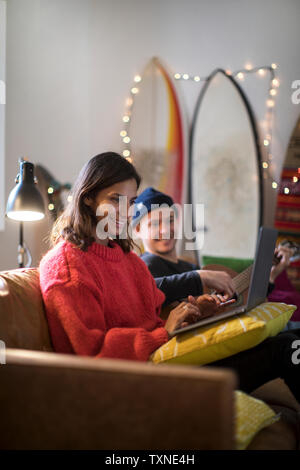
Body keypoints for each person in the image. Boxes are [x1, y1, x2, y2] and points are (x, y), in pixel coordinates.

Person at [39, 154, 300, 404]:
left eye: (129, 202)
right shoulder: (67, 266)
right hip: (136, 384)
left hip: (163, 361)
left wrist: (196, 311)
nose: (123, 211)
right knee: (285, 350)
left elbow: (154, 315)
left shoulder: (126, 259)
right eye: (114, 199)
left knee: (289, 341)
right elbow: (91, 352)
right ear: (88, 199)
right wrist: (164, 332)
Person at [131, 187, 296, 317]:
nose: (166, 230)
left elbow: (232, 307)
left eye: (170, 220)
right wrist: (200, 276)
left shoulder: (190, 265)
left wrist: (270, 276)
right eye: (155, 224)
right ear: (138, 229)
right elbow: (146, 291)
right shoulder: (145, 265)